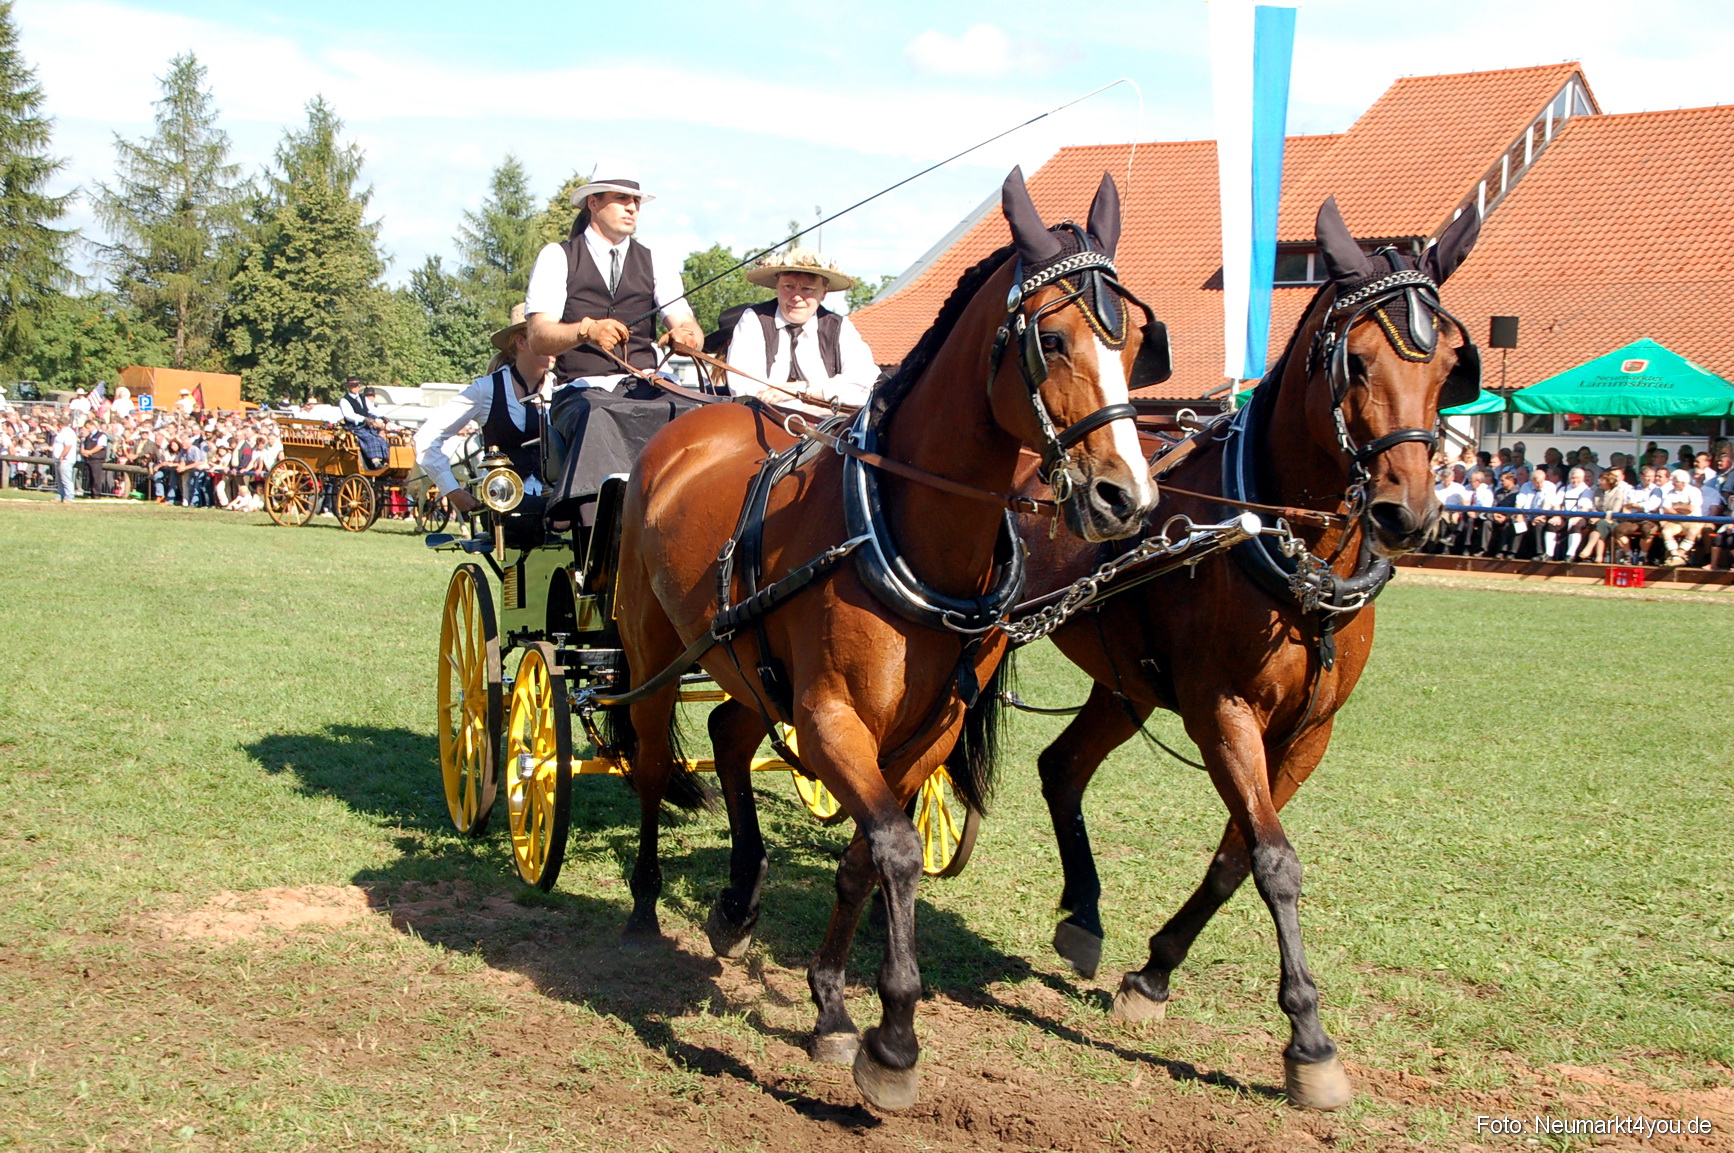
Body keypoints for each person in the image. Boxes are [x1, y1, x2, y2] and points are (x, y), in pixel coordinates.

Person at [525, 161, 705, 525]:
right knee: (599, 415)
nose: (632, 208)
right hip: (582, 391)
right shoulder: (558, 256)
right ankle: (600, 547)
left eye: (636, 201)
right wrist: (585, 331)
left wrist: (685, 337)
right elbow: (538, 336)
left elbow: (688, 325)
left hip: (647, 384)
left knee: (705, 415)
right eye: (621, 199)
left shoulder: (656, 262)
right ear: (593, 203)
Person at [416, 303, 556, 517]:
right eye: (546, 335)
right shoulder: (486, 389)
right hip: (505, 514)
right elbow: (426, 438)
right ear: (521, 341)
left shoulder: (562, 388)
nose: (556, 343)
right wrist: (453, 491)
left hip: (557, 508)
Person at [724, 247, 880, 409]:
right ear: (777, 287)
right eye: (788, 287)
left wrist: (805, 390)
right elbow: (744, 386)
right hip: (766, 422)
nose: (797, 297)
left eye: (807, 289)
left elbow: (867, 384)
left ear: (823, 293)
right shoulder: (754, 319)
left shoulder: (840, 327)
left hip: (830, 428)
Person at [337, 376, 391, 470]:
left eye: (357, 385)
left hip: (366, 427)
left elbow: (371, 410)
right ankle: (376, 463)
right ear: (349, 387)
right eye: (353, 385)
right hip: (355, 428)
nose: (356, 387)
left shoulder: (363, 398)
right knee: (370, 439)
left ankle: (385, 461)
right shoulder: (345, 400)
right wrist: (364, 419)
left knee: (380, 439)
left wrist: (382, 416)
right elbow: (349, 415)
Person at [1581, 466, 1633, 563]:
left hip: (1613, 521)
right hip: (1599, 520)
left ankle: (1589, 548)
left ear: (1609, 482)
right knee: (1601, 526)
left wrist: (1600, 517)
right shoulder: (1598, 491)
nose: (1599, 482)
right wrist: (1596, 516)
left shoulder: (1618, 492)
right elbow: (1595, 507)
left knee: (1601, 524)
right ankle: (1599, 557)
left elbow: (1615, 510)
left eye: (1602, 480)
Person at [1657, 469, 1704, 565]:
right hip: (1675, 521)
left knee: (1693, 531)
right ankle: (1676, 556)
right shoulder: (1670, 493)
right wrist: (1682, 511)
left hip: (1692, 520)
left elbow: (1691, 509)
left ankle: (1678, 556)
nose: (1673, 483)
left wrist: (1675, 507)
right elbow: (1665, 509)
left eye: (1675, 481)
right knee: (1666, 531)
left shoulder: (1694, 491)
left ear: (1683, 482)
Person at [50, 416, 77, 502]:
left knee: (66, 479)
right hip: (59, 459)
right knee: (60, 479)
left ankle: (69, 496)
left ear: (60, 424)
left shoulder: (68, 432)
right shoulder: (62, 432)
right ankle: (60, 496)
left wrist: (62, 455)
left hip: (65, 459)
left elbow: (68, 446)